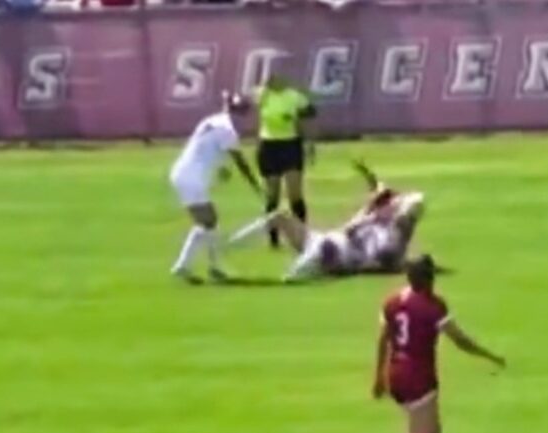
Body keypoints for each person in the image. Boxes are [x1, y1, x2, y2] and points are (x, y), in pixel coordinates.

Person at [373, 255, 506, 433]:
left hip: (397, 373)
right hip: (418, 377)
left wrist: (378, 376)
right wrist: (489, 355)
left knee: (433, 432)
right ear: (426, 278)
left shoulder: (392, 302)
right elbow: (460, 341)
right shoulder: (432, 306)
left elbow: (383, 339)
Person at [226, 163, 427, 281]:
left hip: (334, 254)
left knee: (303, 266)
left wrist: (373, 216)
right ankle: (228, 247)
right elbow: (385, 192)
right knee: (280, 216)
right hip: (323, 238)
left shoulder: (391, 240)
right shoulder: (376, 214)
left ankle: (290, 276)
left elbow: (417, 201)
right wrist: (377, 197)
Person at [169, 91, 262, 284]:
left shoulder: (212, 121)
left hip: (183, 173)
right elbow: (240, 161)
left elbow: (207, 148)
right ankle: (187, 265)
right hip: (191, 177)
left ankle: (210, 267)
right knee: (209, 223)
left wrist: (221, 168)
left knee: (208, 223)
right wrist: (256, 186)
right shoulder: (228, 130)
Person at [254, 74, 317, 248]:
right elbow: (254, 101)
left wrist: (296, 115)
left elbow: (311, 111)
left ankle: (302, 235)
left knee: (294, 193)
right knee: (272, 194)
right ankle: (273, 238)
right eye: (269, 78)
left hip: (290, 144)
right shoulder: (263, 95)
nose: (273, 80)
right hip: (268, 145)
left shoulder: (293, 96)